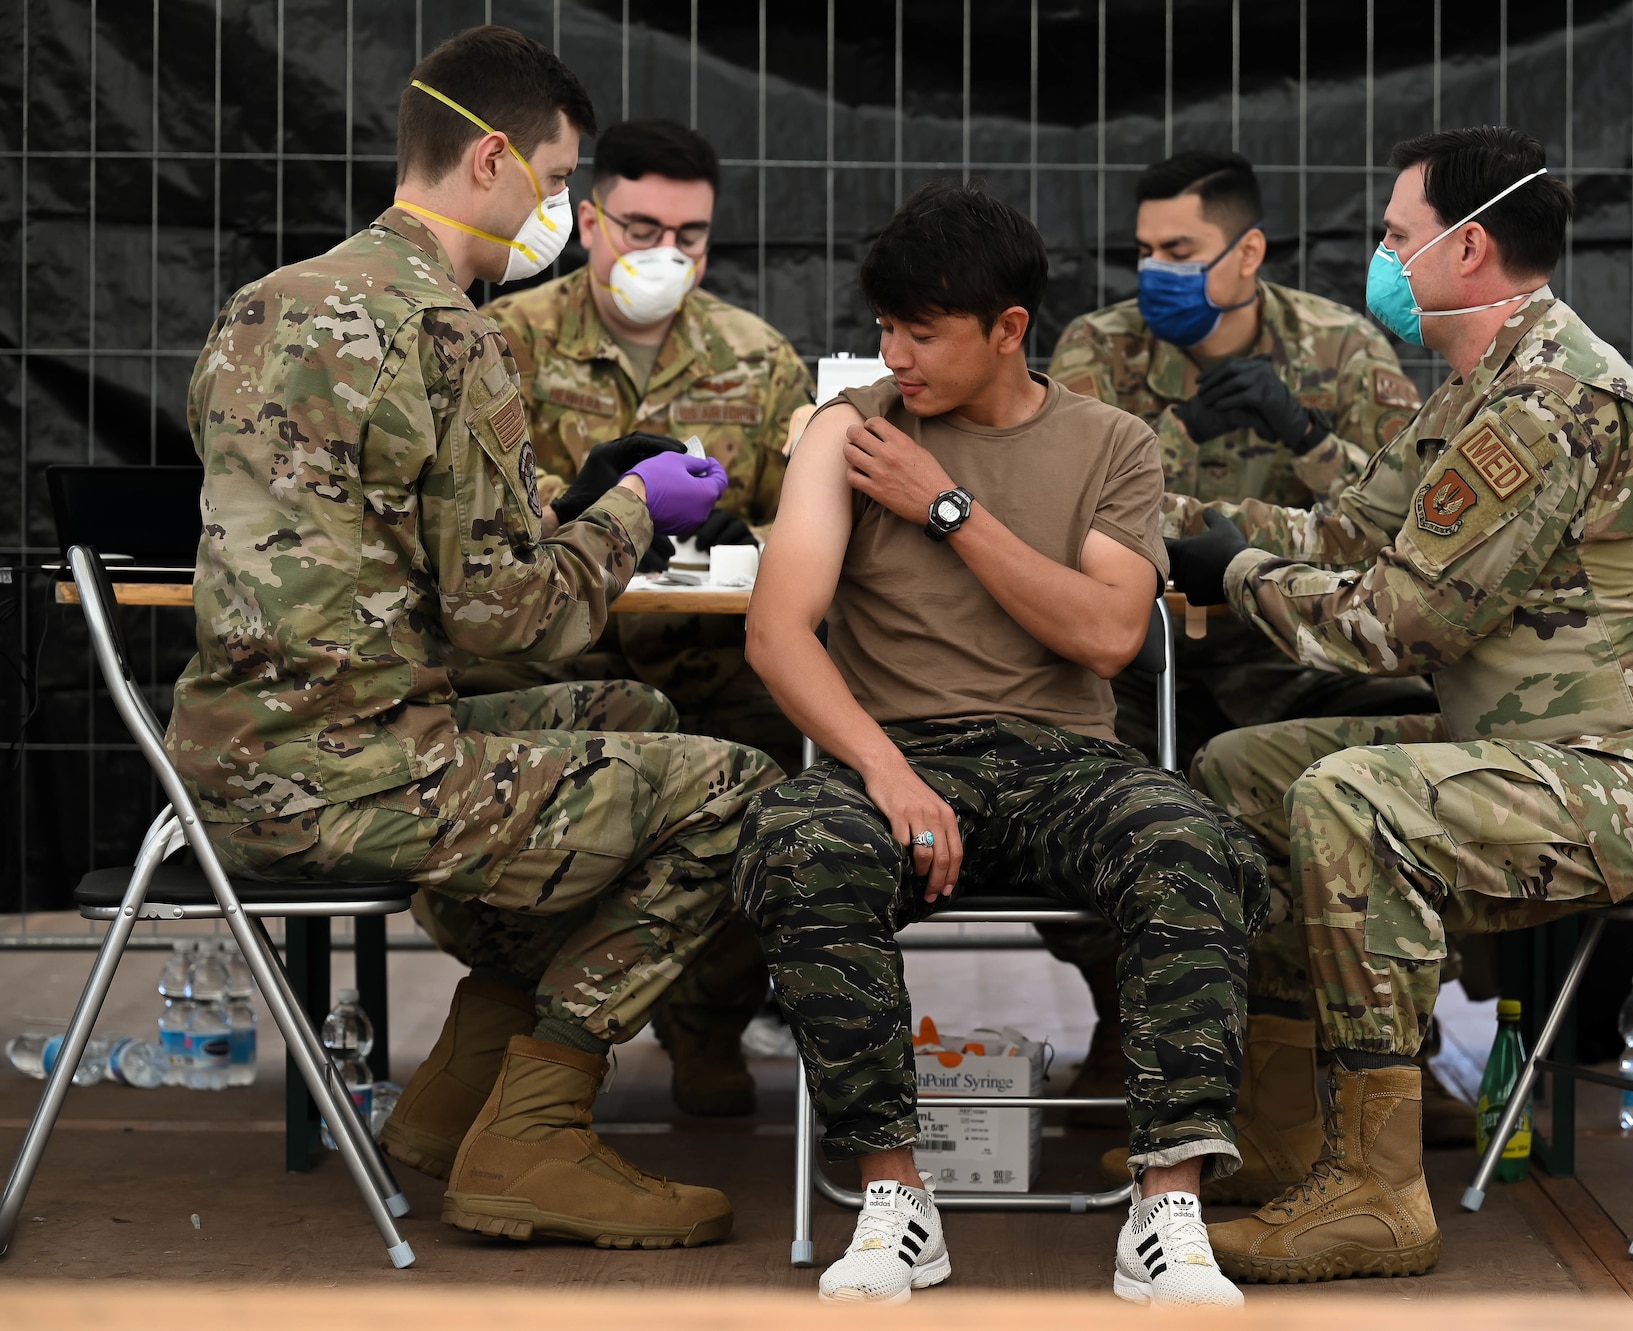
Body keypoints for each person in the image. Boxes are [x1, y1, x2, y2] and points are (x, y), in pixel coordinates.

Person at [162, 25, 783, 1250]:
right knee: (737, 786)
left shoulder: (262, 304)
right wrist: (631, 513)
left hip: (227, 760)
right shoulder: (455, 331)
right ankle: (537, 1132)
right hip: (354, 772)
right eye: (559, 183)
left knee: (634, 718)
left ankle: (455, 1099)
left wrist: (562, 507)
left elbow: (378, 552)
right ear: (491, 159)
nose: (561, 210)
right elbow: (521, 621)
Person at [1164, 126, 1633, 1282]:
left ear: (1468, 244)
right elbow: (1345, 532)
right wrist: (1170, 521)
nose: (1382, 257)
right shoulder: (1479, 384)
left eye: (1396, 235)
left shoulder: (1545, 403)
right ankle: (1288, 1126)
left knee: (1351, 798)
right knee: (1246, 770)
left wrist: (1230, 577)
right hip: (1536, 746)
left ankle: (1376, 1188)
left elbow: (1401, 623)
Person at [733, 181, 1267, 1307]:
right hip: (905, 758)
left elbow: (1111, 632)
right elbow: (777, 634)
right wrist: (882, 769)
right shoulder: (849, 429)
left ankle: (1165, 1206)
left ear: (1008, 328)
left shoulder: (1111, 443)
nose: (894, 355)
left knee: (1192, 838)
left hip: (1065, 758)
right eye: (884, 329)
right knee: (796, 837)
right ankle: (895, 1193)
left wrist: (947, 507)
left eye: (921, 333)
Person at [1043, 150, 1451, 1171]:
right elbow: (1072, 511)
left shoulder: (1340, 348)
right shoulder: (1097, 347)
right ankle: (1126, 1028)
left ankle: (1394, 1037)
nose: (1155, 272)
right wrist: (1230, 491)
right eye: (1143, 251)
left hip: (1291, 646)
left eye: (1179, 250)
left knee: (1404, 754)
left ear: (1247, 252)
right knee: (1075, 787)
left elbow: (1405, 525)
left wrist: (1301, 430)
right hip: (1136, 654)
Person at [478, 118, 815, 1120]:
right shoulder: (507, 345)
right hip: (554, 669)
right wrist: (588, 511)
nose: (665, 254)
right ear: (588, 222)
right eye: (640, 226)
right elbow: (474, 538)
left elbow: (802, 527)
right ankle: (518, 1026)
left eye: (691, 235)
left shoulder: (757, 360)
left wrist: (734, 534)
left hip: (717, 673)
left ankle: (706, 1019)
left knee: (793, 798)